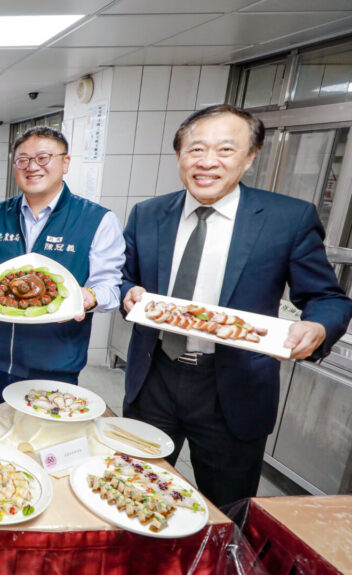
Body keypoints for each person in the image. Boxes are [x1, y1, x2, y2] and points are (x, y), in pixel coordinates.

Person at [120, 104, 352, 508]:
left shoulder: (287, 219)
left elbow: (325, 298)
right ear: (179, 156)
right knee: (136, 489)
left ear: (250, 157)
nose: (208, 162)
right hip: (154, 376)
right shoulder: (148, 214)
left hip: (233, 386)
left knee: (228, 507)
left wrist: (317, 328)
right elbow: (126, 277)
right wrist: (129, 293)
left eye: (225, 150)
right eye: (196, 149)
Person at [0, 126, 125, 405]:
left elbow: (111, 290)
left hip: (56, 363)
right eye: (23, 160)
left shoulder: (97, 220)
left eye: (43, 158)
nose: (32, 167)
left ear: (65, 163)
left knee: (47, 442)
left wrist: (89, 297)